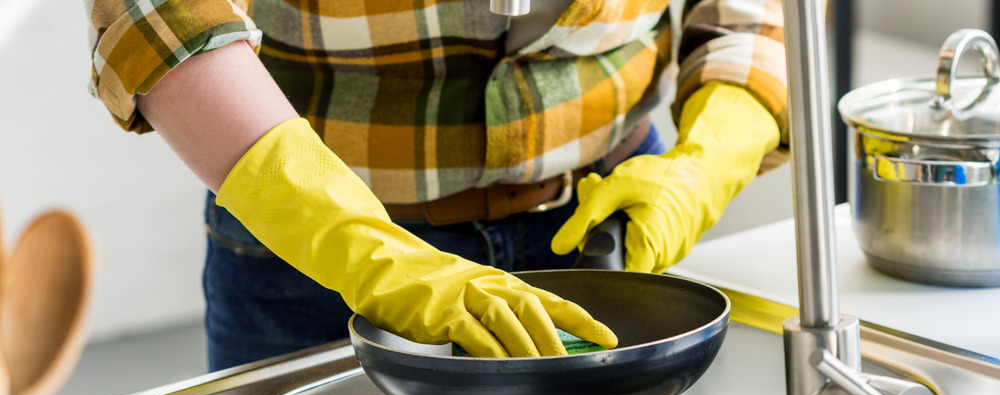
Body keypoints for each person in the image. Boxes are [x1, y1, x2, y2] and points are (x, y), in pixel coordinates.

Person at [82, 0, 787, 371]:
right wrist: (362, 250)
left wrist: (712, 153)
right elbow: (162, 13)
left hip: (608, 232)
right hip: (312, 255)